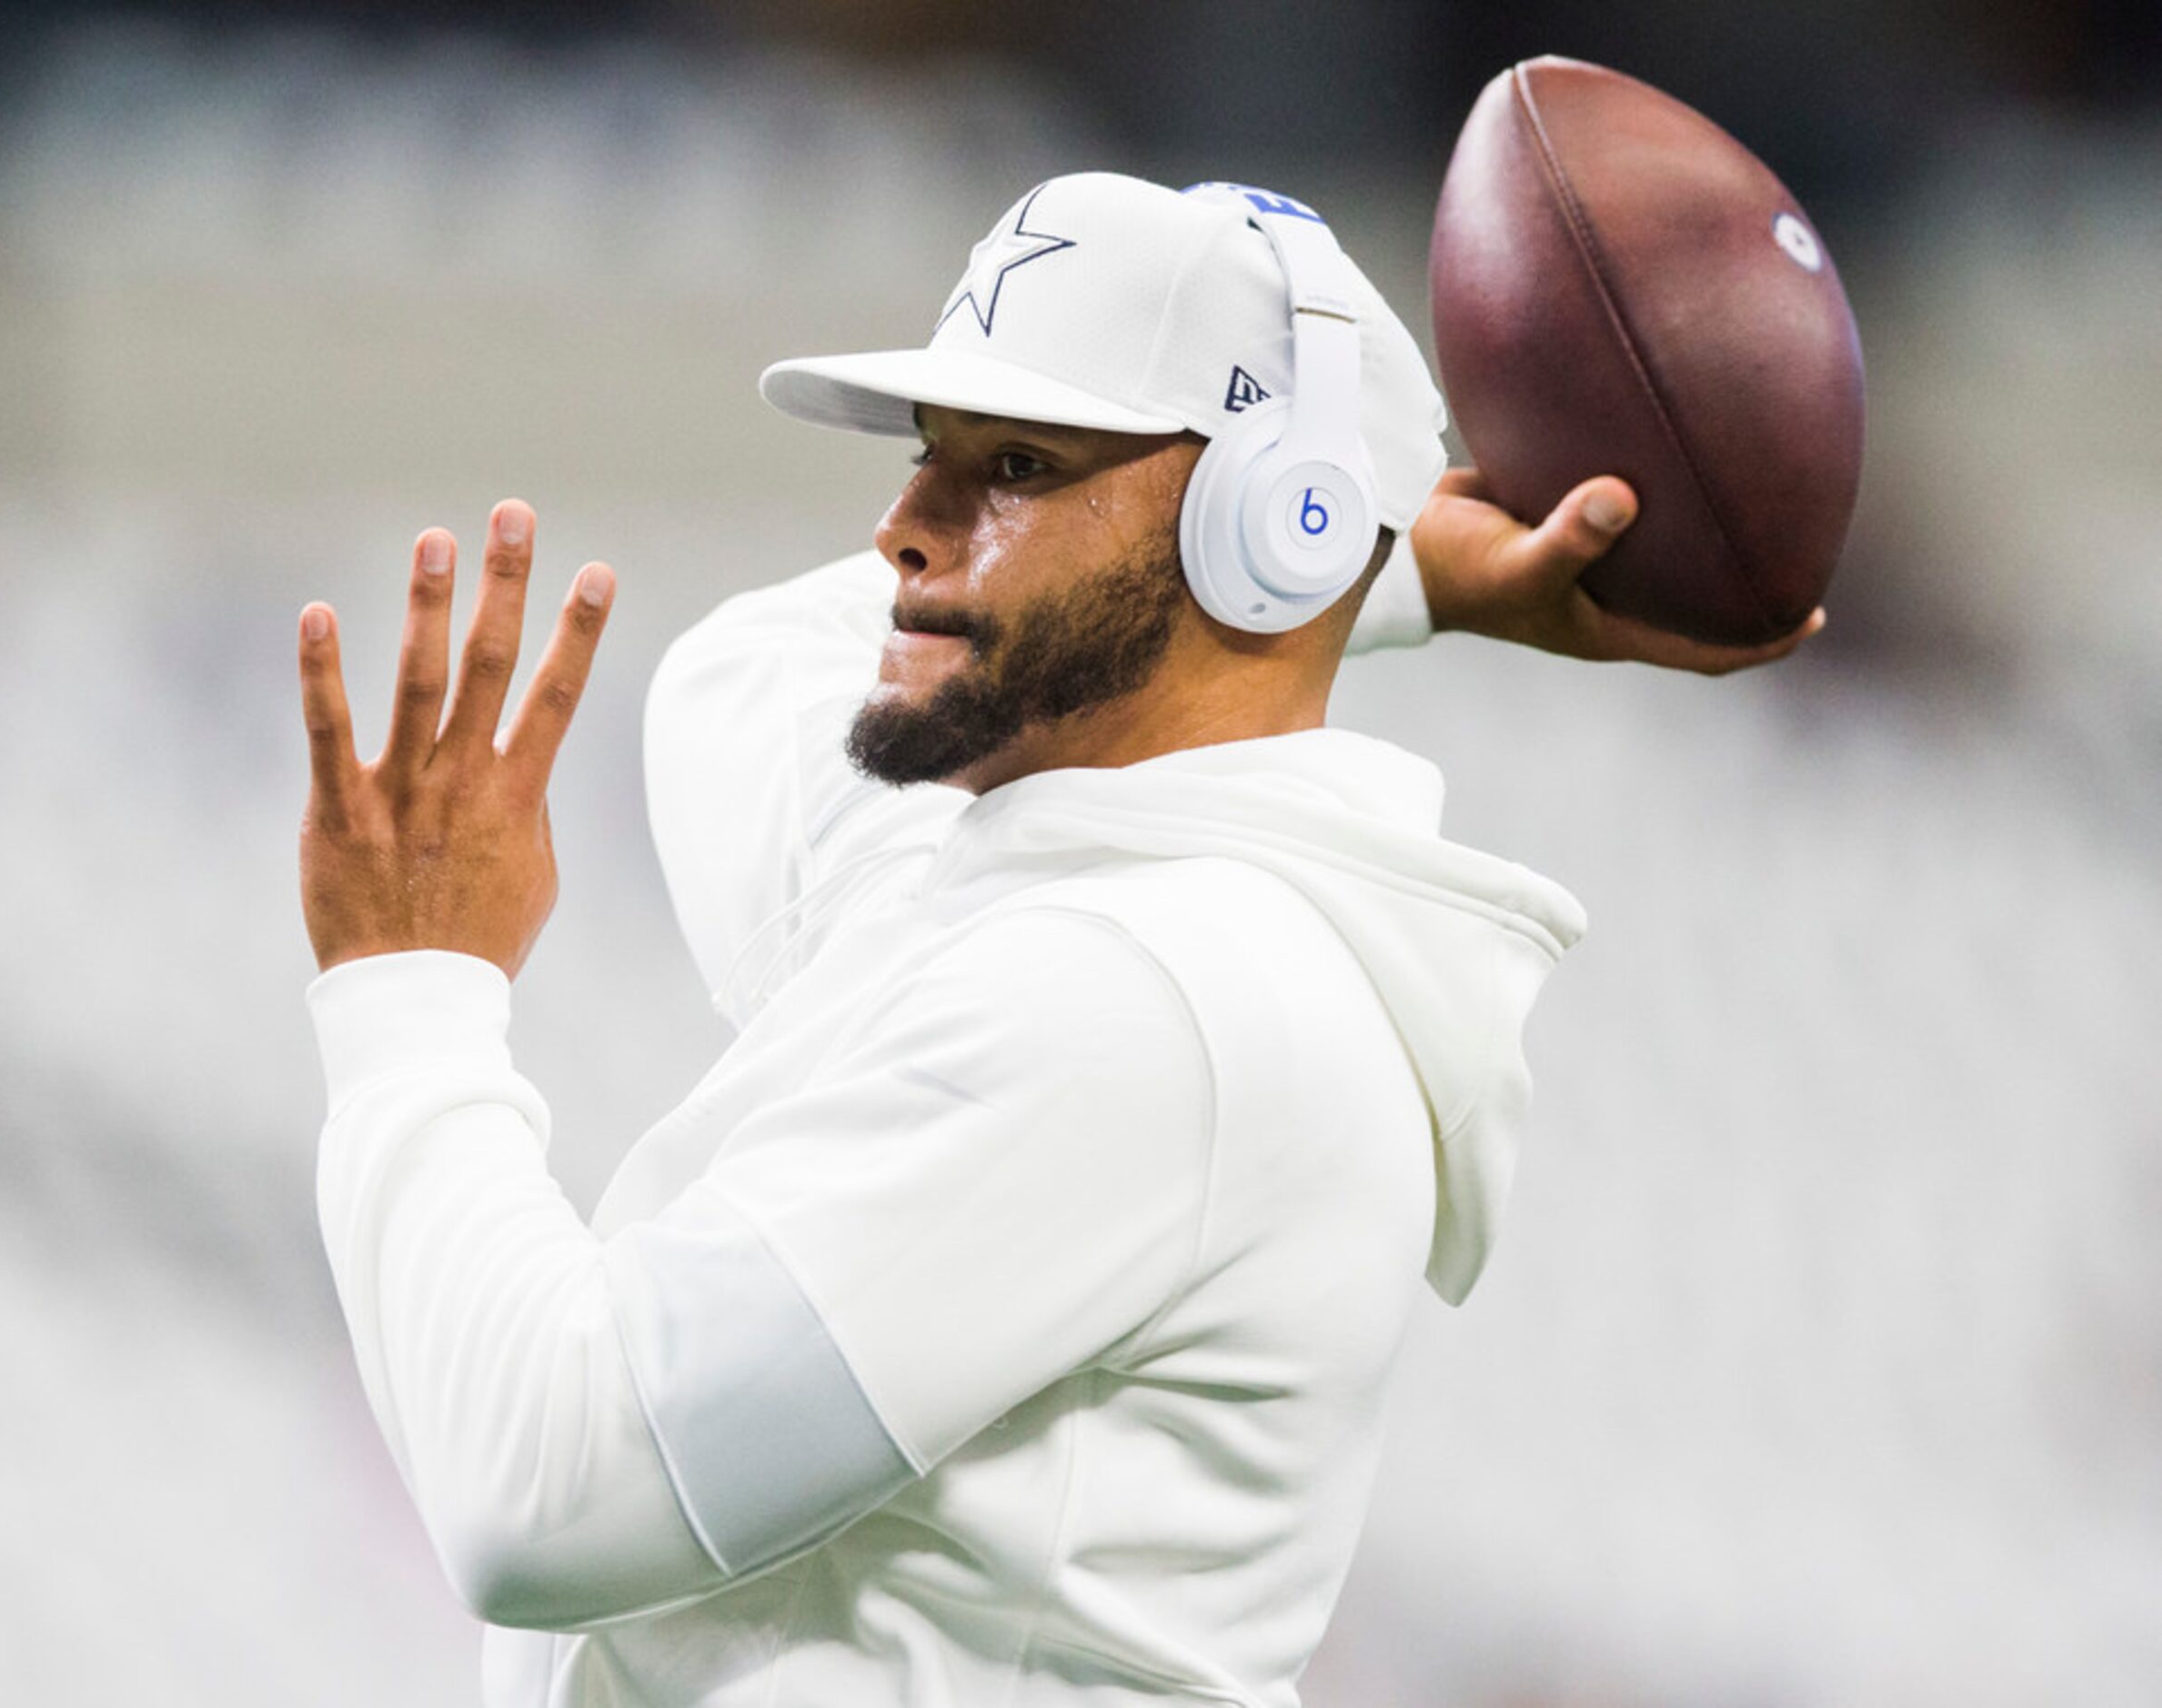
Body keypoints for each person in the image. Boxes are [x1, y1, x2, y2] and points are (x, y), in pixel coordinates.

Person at [295, 173, 1815, 1707]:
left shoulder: (1149, 995)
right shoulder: (1054, 876)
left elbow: (550, 1490)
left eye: (1013, 462)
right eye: (925, 455)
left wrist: (408, 989)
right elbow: (742, 671)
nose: (900, 530)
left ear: (1267, 518)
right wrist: (1377, 571)